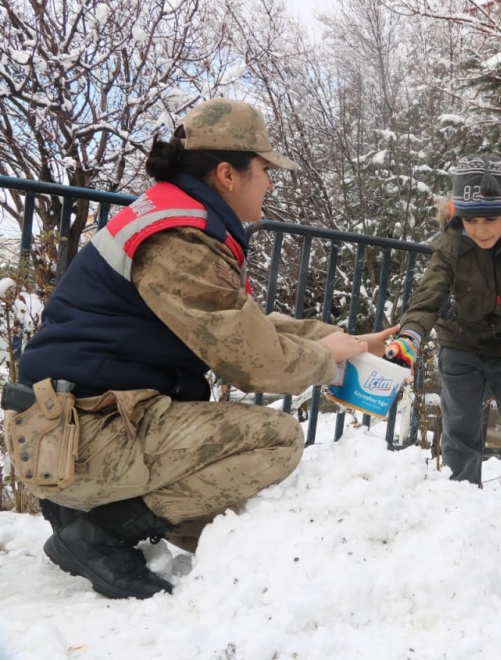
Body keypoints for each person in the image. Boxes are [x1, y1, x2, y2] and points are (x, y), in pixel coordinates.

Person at [3, 98, 396, 600]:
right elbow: (253, 359)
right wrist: (325, 360)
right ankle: (97, 531)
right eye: (266, 170)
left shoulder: (179, 220)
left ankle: (90, 511)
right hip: (79, 435)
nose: (270, 183)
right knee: (275, 440)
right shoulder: (178, 241)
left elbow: (242, 324)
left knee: (228, 517)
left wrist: (346, 342)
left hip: (89, 421)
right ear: (228, 174)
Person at [382, 153, 501, 515]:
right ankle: (461, 501)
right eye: (471, 219)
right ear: (457, 214)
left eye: (490, 219)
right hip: (460, 343)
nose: (481, 229)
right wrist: (411, 337)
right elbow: (429, 294)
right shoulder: (450, 243)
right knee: (460, 426)